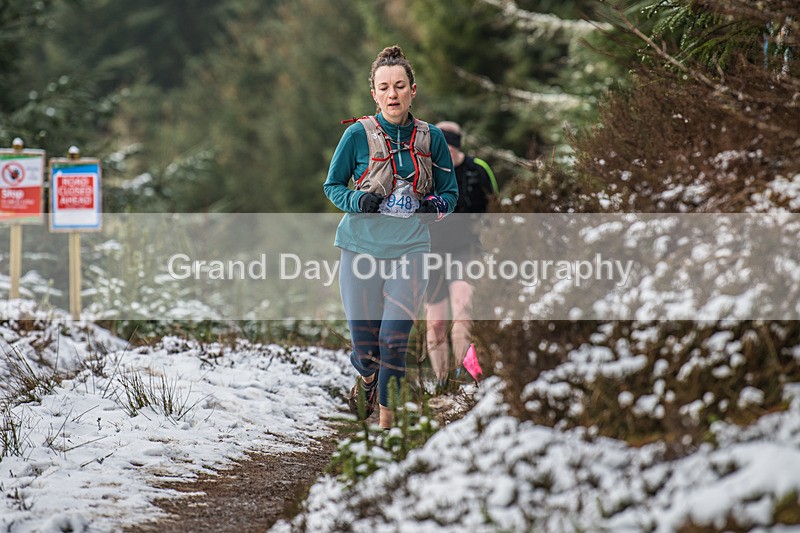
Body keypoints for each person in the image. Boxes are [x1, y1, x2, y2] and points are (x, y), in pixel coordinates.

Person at [323, 46, 458, 429]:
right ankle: (367, 378)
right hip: (360, 248)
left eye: (400, 86)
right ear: (374, 94)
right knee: (367, 349)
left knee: (394, 341)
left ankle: (387, 429)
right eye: (384, 87)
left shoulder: (432, 138)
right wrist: (358, 200)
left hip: (411, 249)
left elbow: (450, 194)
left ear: (413, 90)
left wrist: (431, 206)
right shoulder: (356, 134)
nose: (392, 94)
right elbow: (332, 186)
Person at [424, 121, 498, 390]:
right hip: (430, 253)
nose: (447, 154)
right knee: (436, 322)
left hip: (466, 249)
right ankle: (442, 381)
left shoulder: (478, 169)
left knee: (463, 309)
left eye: (451, 148)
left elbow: (495, 209)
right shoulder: (426, 171)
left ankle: (466, 374)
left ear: (458, 146)